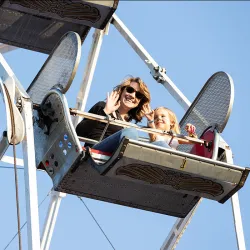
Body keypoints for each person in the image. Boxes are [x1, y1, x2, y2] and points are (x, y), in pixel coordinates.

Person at [76, 76, 151, 153]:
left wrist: (152, 125)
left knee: (159, 144)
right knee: (131, 133)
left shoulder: (128, 125)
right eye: (130, 90)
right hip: (96, 153)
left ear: (139, 102)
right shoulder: (102, 106)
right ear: (122, 91)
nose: (133, 95)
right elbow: (79, 132)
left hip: (117, 158)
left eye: (138, 95)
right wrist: (105, 112)